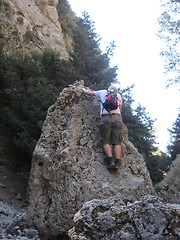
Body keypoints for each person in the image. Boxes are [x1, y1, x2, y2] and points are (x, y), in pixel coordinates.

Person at [81, 84, 123, 170]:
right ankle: (117, 163)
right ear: (116, 91)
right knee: (117, 142)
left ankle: (110, 161)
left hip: (106, 117)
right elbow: (120, 109)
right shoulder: (118, 96)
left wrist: (82, 89)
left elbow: (90, 93)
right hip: (117, 118)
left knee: (105, 141)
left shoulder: (102, 92)